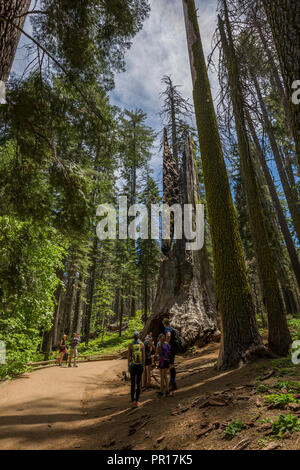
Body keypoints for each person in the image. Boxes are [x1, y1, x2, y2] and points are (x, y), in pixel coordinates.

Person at [128, 331, 145, 407]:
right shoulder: (142, 344)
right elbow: (143, 356)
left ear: (133, 337)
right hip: (140, 366)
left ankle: (132, 401)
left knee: (132, 383)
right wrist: (143, 365)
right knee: (138, 383)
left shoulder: (130, 345)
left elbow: (128, 356)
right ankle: (137, 401)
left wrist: (128, 365)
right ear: (138, 337)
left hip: (132, 366)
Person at [163, 318, 177, 391]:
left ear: (164, 324)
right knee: (172, 364)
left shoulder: (167, 328)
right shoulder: (171, 328)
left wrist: (166, 343)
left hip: (171, 348)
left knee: (171, 365)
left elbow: (168, 335)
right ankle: (173, 382)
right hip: (174, 348)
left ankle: (172, 383)